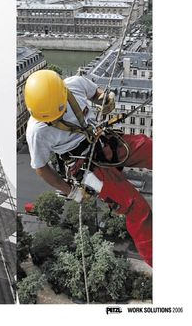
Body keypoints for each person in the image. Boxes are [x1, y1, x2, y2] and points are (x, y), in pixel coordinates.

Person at [24, 69, 152, 266]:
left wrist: (105, 99)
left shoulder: (74, 84)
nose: (53, 120)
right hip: (84, 165)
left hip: (103, 141)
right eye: (49, 119)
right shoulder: (37, 131)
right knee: (135, 208)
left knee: (149, 148)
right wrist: (71, 191)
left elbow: (96, 94)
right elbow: (41, 168)